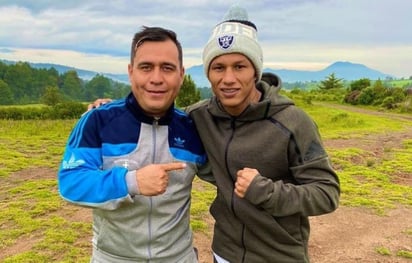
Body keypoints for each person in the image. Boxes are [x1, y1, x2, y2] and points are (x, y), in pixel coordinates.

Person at [89, 5, 340, 262]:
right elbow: (158, 115)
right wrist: (111, 111)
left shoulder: (293, 122)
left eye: (240, 66)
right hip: (225, 252)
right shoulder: (198, 116)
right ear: (208, 73)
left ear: (256, 71)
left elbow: (327, 193)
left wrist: (266, 191)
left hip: (279, 255)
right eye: (218, 68)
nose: (228, 78)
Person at [57, 26, 207, 263]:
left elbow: (225, 173)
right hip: (113, 257)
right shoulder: (98, 120)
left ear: (181, 74)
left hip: (178, 257)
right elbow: (71, 182)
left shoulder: (193, 128)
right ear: (131, 72)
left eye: (167, 68)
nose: (156, 78)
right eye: (146, 67)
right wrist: (131, 182)